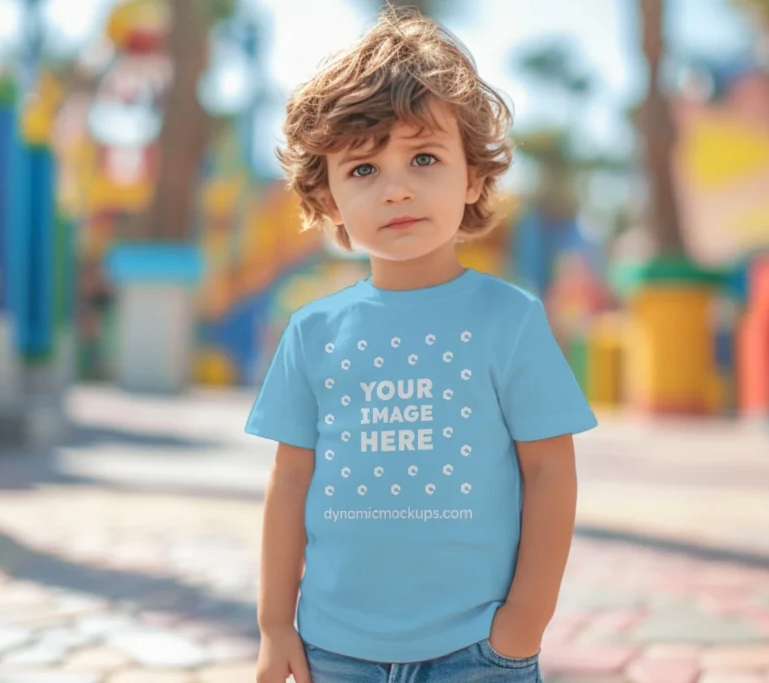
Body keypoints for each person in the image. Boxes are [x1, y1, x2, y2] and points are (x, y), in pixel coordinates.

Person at [246, 7, 597, 682]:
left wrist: (525, 622)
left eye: (424, 157)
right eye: (362, 170)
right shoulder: (311, 332)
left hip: (479, 649)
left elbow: (550, 472)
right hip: (333, 649)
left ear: (472, 177)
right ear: (327, 202)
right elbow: (289, 481)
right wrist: (273, 623)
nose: (397, 186)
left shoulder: (511, 318)